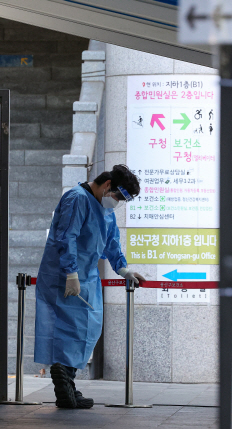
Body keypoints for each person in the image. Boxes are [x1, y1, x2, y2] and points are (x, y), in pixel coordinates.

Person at [34, 164, 146, 409]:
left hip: (86, 277)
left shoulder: (104, 209)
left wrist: (123, 269)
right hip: (63, 275)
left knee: (87, 328)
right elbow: (66, 236)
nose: (116, 202)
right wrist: (70, 272)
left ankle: (67, 382)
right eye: (117, 196)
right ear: (107, 185)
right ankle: (65, 382)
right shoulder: (77, 199)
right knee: (67, 329)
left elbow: (111, 241)